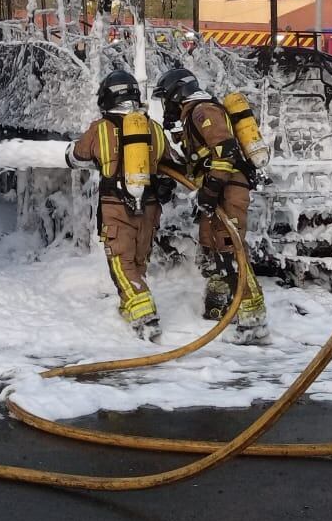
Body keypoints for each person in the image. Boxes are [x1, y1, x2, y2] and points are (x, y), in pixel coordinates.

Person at [153, 67, 269, 345]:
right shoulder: (193, 114)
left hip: (227, 190)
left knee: (232, 251)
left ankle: (254, 322)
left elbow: (225, 150)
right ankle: (218, 306)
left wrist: (211, 189)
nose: (165, 106)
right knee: (212, 247)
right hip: (219, 191)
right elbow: (202, 157)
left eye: (166, 99)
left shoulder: (202, 111)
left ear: (177, 93)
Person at [66, 69, 172, 342]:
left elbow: (77, 156)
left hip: (117, 205)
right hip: (149, 207)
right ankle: (130, 306)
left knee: (121, 262)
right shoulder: (152, 128)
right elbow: (169, 162)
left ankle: (145, 317)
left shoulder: (101, 129)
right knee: (138, 260)